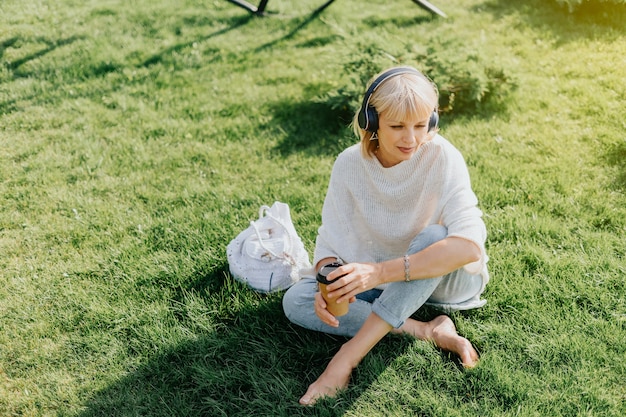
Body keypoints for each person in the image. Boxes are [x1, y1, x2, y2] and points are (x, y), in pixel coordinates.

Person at [282, 66, 490, 406]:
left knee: (436, 235)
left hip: (443, 283)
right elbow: (329, 244)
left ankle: (347, 357)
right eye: (397, 126)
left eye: (421, 125)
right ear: (371, 122)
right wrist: (329, 281)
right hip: (382, 284)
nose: (411, 139)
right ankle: (426, 329)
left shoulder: (442, 156)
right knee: (297, 300)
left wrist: (378, 273)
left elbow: (467, 247)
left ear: (433, 122)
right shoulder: (348, 164)